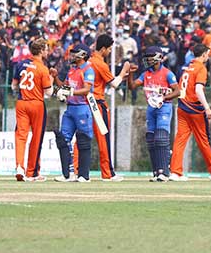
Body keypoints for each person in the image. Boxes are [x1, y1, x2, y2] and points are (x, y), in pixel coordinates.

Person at [72, 34, 130, 182]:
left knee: (82, 138)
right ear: (103, 49)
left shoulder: (88, 62)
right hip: (97, 103)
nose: (110, 51)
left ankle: (77, 171)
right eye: (109, 49)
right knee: (103, 138)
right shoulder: (100, 64)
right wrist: (124, 71)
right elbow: (115, 84)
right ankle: (107, 173)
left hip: (84, 103)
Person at [170, 44, 211, 181]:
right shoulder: (201, 68)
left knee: (180, 139)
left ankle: (175, 172)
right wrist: (206, 107)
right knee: (203, 140)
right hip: (194, 108)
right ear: (203, 55)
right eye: (207, 53)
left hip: (182, 106)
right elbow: (198, 90)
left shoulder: (187, 68)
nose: (208, 56)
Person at [128, 45, 179, 181]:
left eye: (150, 58)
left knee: (161, 138)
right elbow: (132, 86)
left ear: (158, 58)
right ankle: (156, 171)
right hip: (151, 108)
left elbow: (177, 91)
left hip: (164, 107)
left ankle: (164, 172)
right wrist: (130, 74)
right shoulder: (146, 74)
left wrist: (163, 98)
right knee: (151, 140)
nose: (148, 60)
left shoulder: (168, 73)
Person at [52, 43, 95, 183]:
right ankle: (67, 174)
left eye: (75, 53)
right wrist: (55, 77)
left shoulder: (88, 70)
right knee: (63, 139)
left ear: (82, 55)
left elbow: (87, 89)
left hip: (82, 108)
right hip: (70, 108)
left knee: (83, 140)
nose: (71, 56)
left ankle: (84, 175)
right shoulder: (72, 70)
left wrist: (70, 92)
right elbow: (64, 86)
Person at [11, 38, 53, 182]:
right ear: (41, 51)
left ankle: (19, 167)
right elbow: (48, 92)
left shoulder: (21, 64)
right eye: (46, 49)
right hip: (36, 104)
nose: (47, 51)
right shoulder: (42, 68)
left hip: (22, 103)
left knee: (20, 136)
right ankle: (32, 172)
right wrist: (51, 79)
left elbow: (14, 86)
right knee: (36, 138)